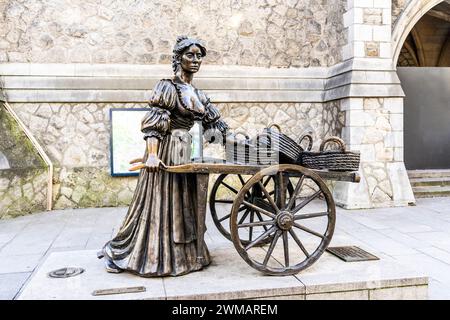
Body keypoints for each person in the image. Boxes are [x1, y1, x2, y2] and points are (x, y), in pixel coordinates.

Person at [99, 36, 229, 277]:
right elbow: (154, 123)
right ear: (178, 58)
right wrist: (151, 155)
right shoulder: (167, 87)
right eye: (190, 55)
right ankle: (150, 255)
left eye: (199, 56)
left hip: (185, 151)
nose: (195, 60)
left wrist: (231, 139)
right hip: (166, 151)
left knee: (184, 203)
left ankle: (186, 256)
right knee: (162, 202)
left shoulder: (198, 93)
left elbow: (215, 126)